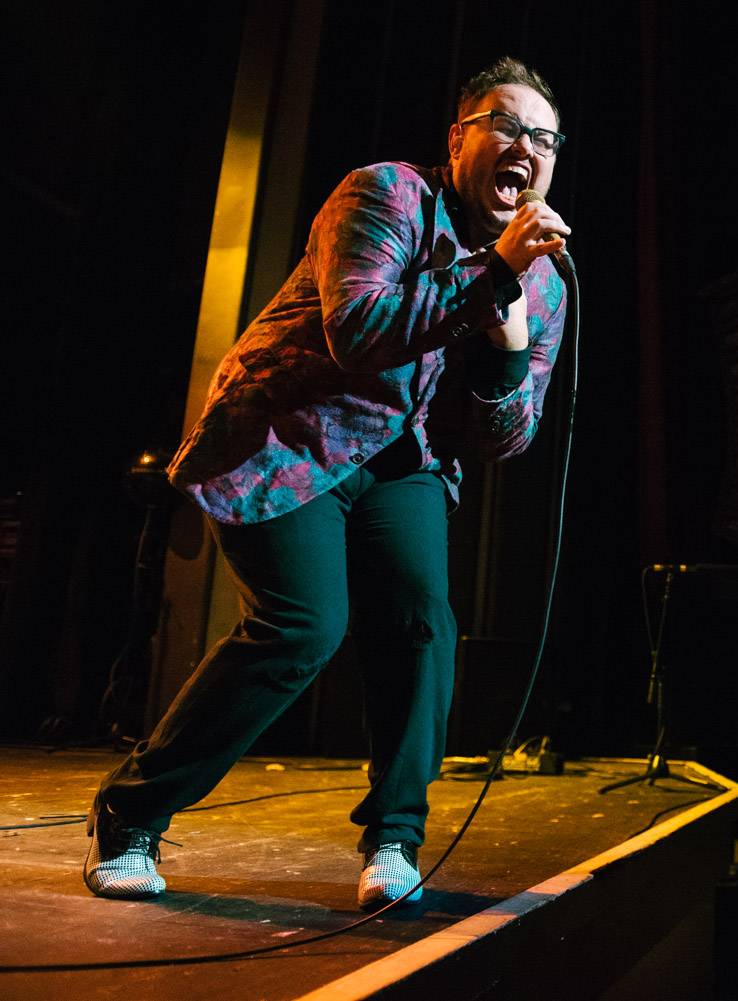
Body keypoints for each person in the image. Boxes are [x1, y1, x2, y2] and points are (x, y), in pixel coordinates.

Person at [83, 56, 573, 909]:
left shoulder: (547, 279)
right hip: (288, 432)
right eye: (504, 125)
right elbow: (358, 328)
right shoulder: (383, 195)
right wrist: (487, 274)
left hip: (401, 460)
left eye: (543, 137)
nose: (523, 147)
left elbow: (511, 435)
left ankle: (393, 838)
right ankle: (131, 813)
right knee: (303, 626)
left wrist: (501, 361)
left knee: (424, 623)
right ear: (459, 138)